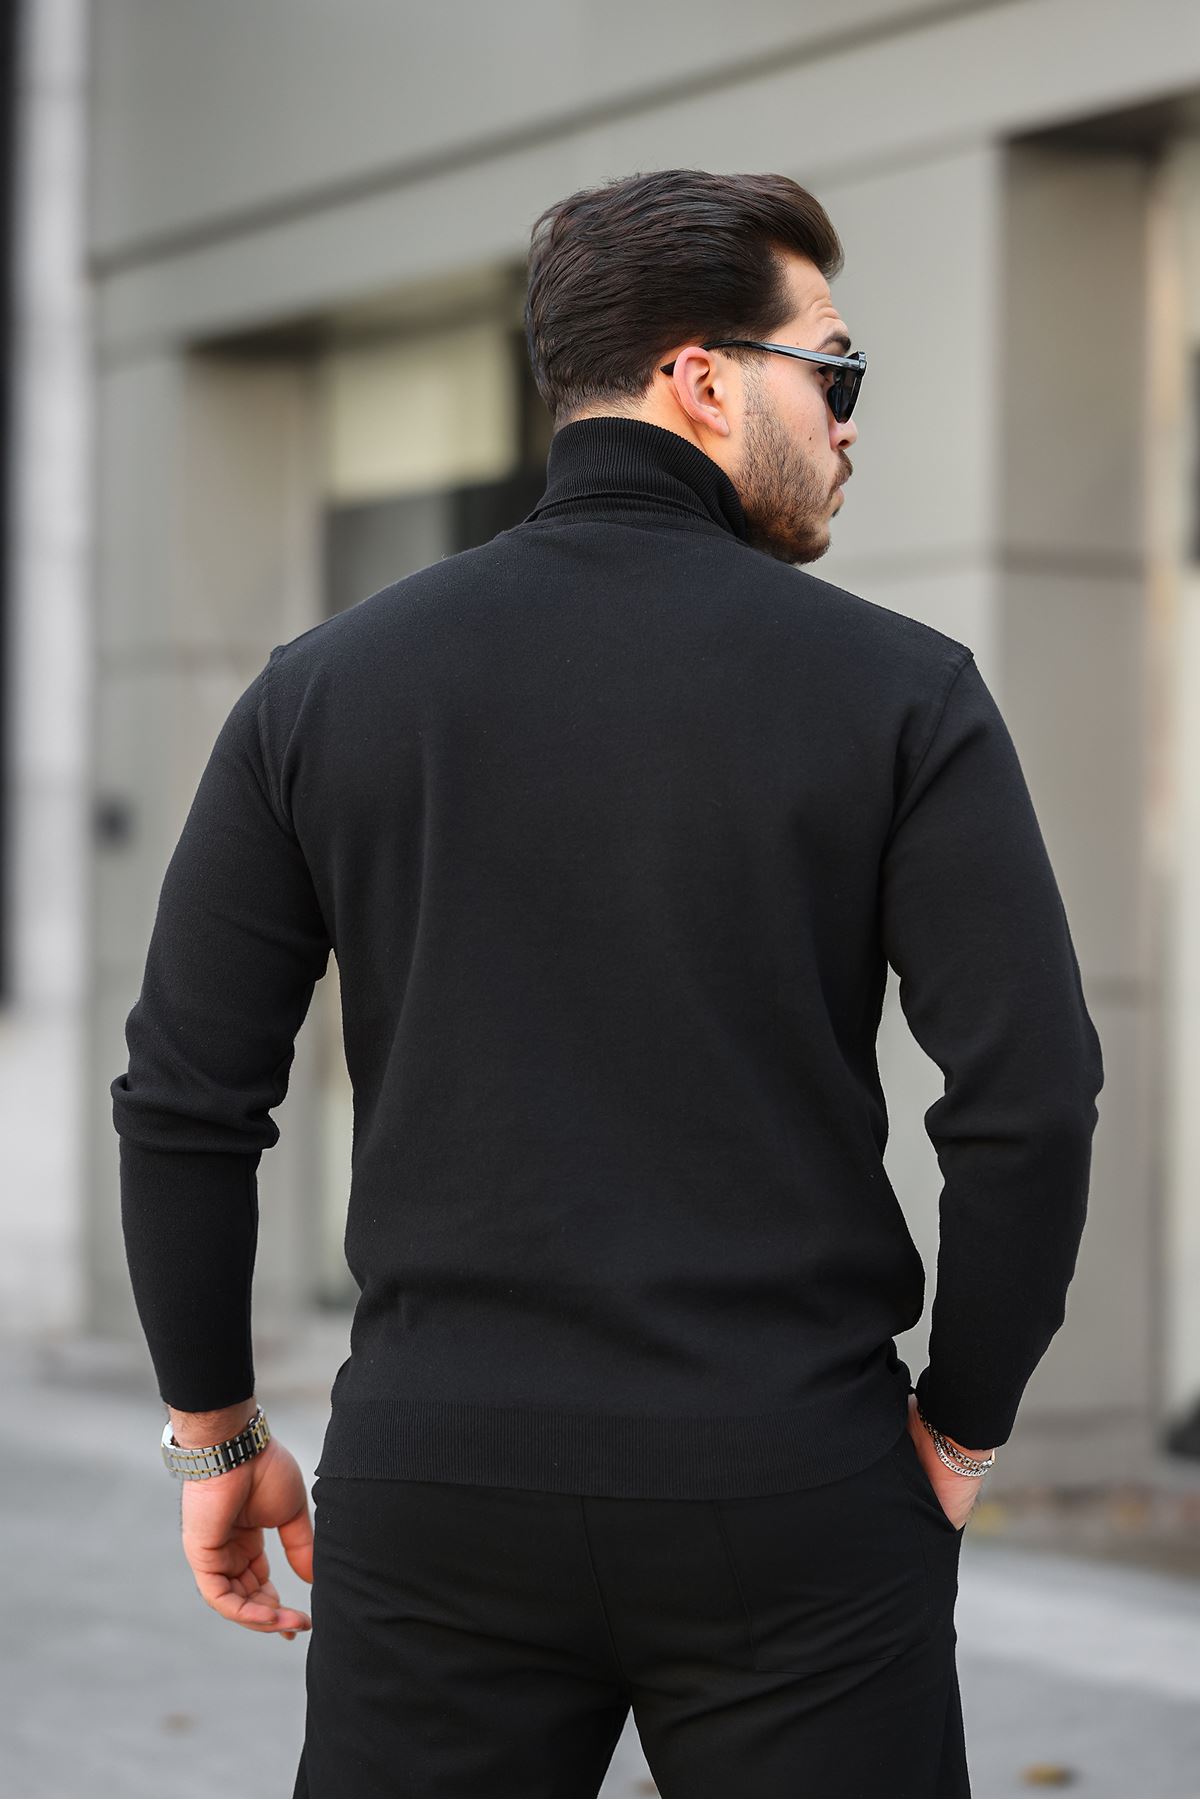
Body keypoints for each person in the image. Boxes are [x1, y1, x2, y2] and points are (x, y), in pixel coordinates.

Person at [111, 168, 1104, 1799]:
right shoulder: (898, 693)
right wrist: (961, 1428)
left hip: (440, 1482)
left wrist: (216, 1435)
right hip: (791, 1479)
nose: (852, 420)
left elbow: (184, 1102)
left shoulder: (323, 693)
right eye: (835, 368)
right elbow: (1033, 1100)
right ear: (701, 378)